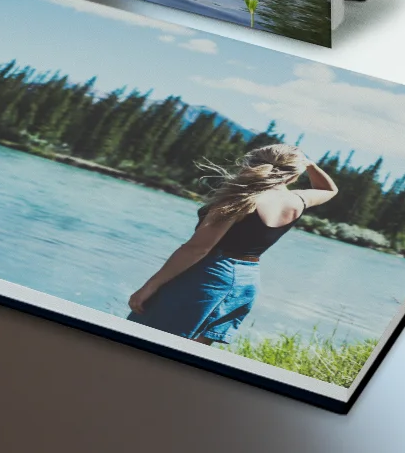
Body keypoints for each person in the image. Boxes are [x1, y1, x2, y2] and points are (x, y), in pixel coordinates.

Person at [126, 144, 338, 343]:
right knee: (187, 355)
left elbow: (197, 249)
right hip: (246, 282)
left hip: (207, 277)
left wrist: (150, 286)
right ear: (294, 174)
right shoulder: (297, 201)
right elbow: (329, 190)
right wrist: (309, 163)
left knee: (144, 340)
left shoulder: (241, 199)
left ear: (250, 163)